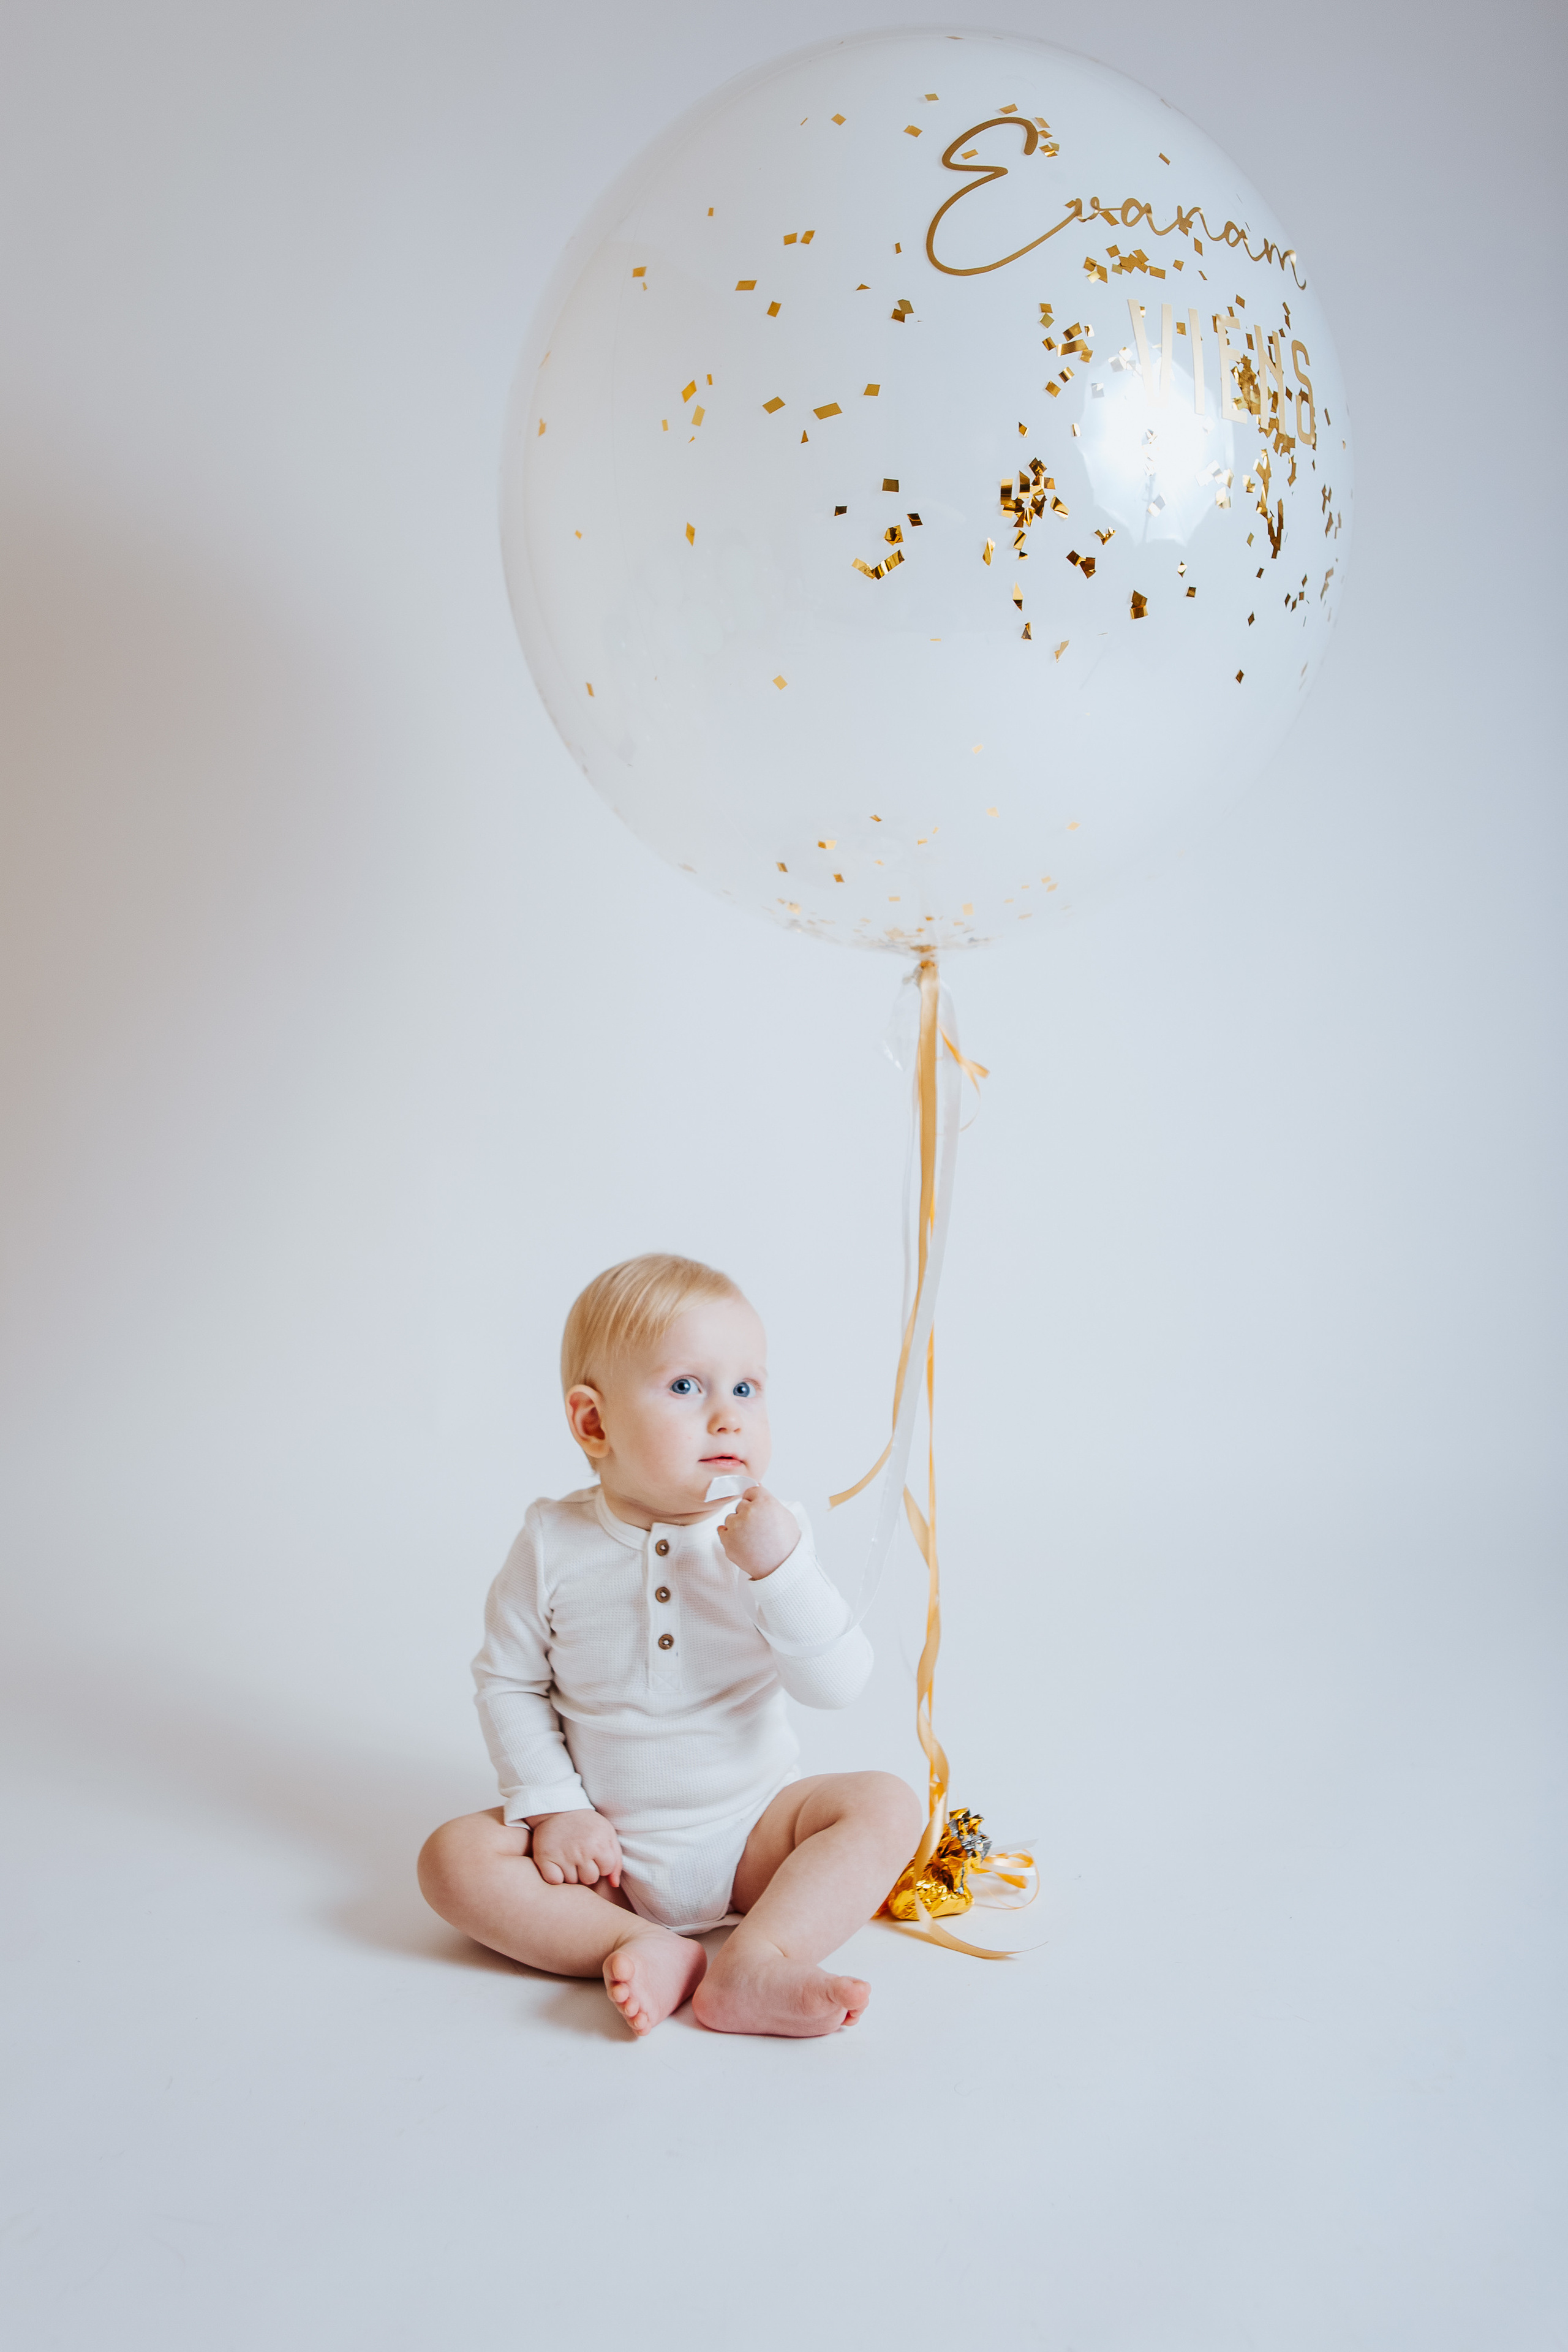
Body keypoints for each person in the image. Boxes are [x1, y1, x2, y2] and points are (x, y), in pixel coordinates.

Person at [417, 1253, 921, 2038]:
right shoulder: (553, 1541)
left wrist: (780, 1571)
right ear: (594, 1422)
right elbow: (508, 1684)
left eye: (746, 1389)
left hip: (756, 1834)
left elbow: (838, 1682)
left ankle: (760, 1958)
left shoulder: (771, 1536)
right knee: (452, 1859)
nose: (728, 1416)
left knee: (885, 1804)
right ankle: (636, 1943)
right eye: (687, 1387)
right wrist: (555, 1808)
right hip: (605, 1858)